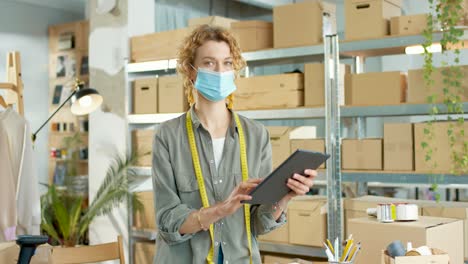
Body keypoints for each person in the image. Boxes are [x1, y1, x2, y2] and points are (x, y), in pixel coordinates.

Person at [152, 25, 317, 264]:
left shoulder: (256, 134)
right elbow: (168, 221)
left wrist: (284, 197)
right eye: (209, 63)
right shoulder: (167, 136)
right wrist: (221, 209)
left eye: (227, 63)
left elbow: (258, 222)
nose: (220, 71)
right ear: (191, 71)